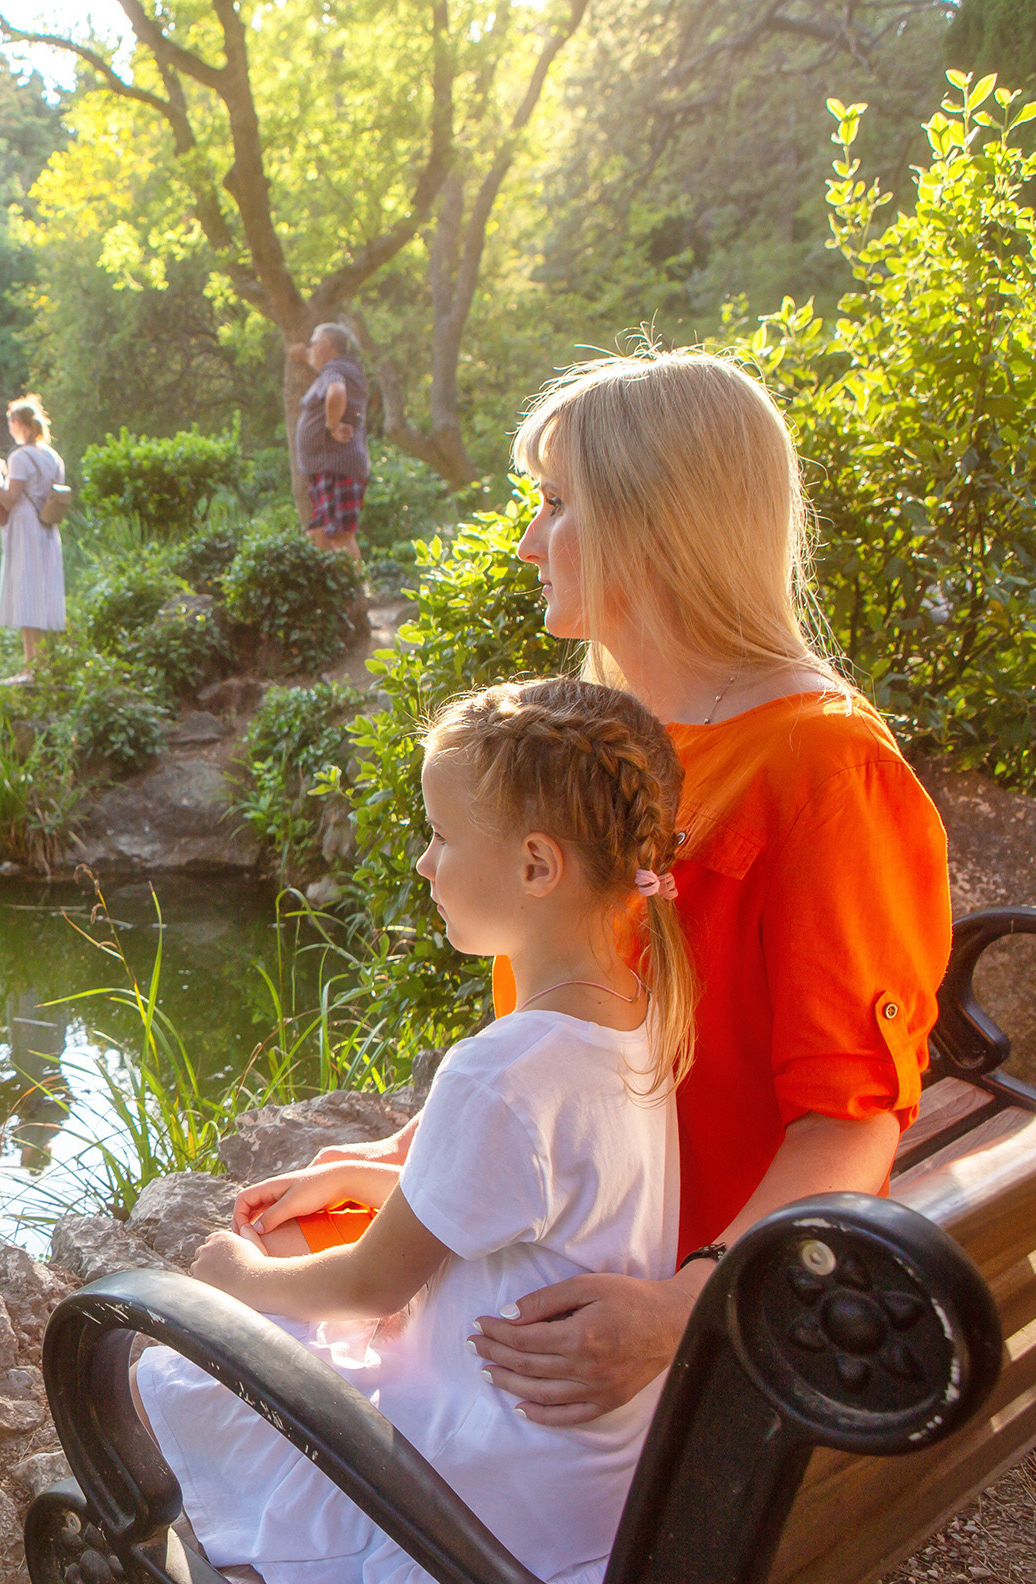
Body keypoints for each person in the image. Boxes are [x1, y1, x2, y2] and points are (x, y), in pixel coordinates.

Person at [290, 349, 950, 1430]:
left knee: (213, 1332)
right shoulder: (625, 736)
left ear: (656, 520)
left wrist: (679, 1309)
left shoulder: (823, 769)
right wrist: (408, 1158)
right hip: (567, 1247)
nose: (525, 540)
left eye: (555, 504)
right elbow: (576, 1045)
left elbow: (847, 1119)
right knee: (285, 1242)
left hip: (630, 1316)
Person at [69, 676, 691, 1584]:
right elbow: (503, 1197)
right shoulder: (633, 1013)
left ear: (536, 863)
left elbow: (370, 1282)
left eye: (441, 835)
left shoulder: (504, 1068)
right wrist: (370, 1172)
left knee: (193, 1352)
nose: (423, 859)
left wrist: (233, 1279)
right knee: (287, 1298)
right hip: (587, 1467)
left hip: (494, 1479)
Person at [0, 395, 66, 668]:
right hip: (47, 526)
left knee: (27, 591)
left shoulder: (21, 456)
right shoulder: (53, 456)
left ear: (16, 423)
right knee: (44, 591)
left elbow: (10, 499)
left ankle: (31, 665)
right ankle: (43, 664)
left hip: (25, 525)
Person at [295, 323, 371, 561]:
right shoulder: (344, 367)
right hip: (327, 467)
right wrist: (299, 353)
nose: (311, 350)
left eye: (313, 344)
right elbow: (310, 357)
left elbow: (336, 392)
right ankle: (332, 593)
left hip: (337, 466)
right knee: (318, 534)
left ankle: (359, 594)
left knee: (340, 535)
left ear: (327, 346)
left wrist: (332, 425)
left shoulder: (334, 369)